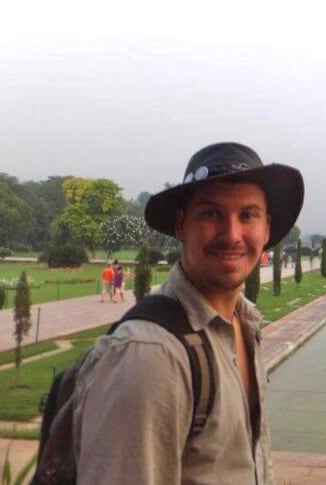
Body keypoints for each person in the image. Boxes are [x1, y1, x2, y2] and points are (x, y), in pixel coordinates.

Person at [73, 142, 304, 484]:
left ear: (266, 229)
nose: (232, 235)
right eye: (211, 213)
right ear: (181, 225)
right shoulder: (150, 357)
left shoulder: (243, 324)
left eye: (248, 215)